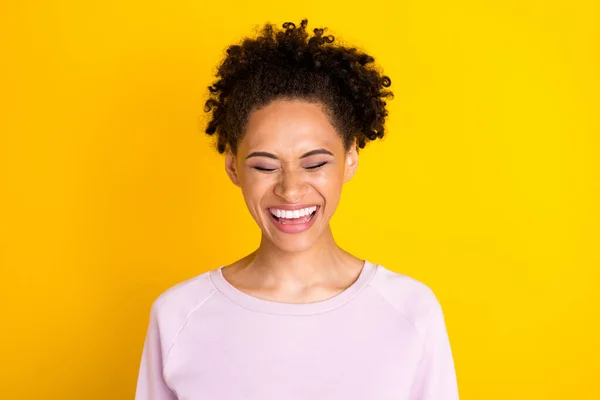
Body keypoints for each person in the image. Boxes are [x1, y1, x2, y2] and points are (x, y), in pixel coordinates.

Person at [134, 19, 459, 400]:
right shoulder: (178, 316)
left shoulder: (410, 311)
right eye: (264, 166)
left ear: (350, 159)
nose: (290, 190)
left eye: (315, 163)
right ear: (233, 167)